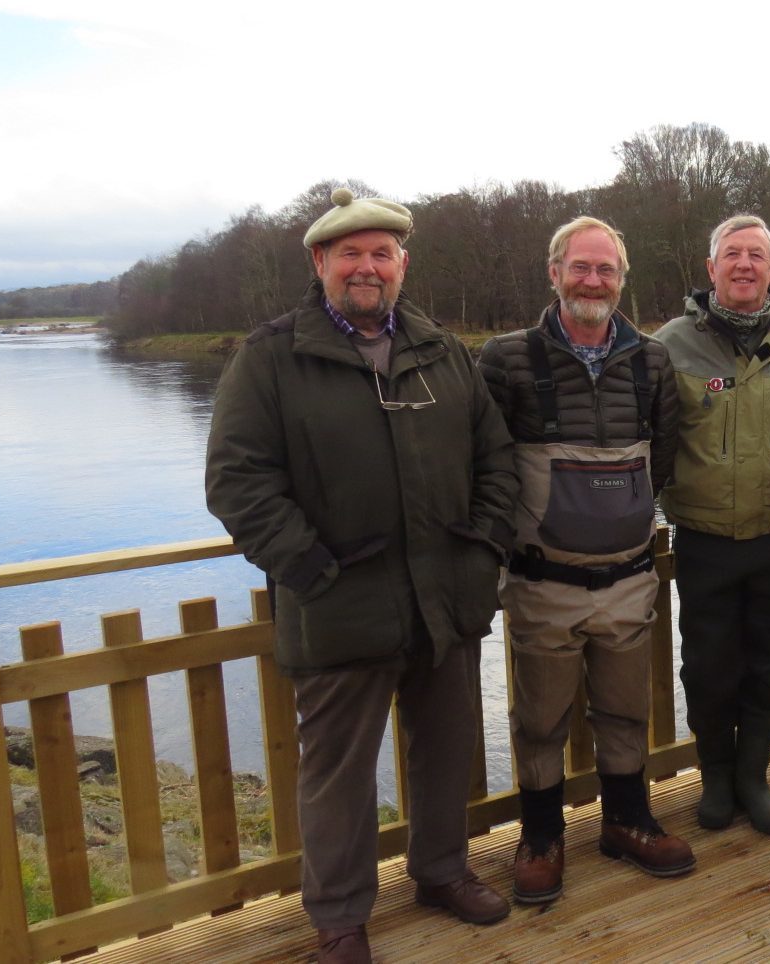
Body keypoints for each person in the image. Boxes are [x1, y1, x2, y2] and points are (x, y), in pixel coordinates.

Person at [205, 189, 515, 964]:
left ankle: (442, 872)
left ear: (403, 264)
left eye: (381, 254)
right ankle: (340, 919)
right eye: (351, 254)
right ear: (320, 263)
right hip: (339, 602)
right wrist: (309, 566)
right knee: (338, 774)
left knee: (446, 749)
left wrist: (484, 551)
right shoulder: (271, 357)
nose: (367, 267)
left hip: (443, 597)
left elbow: (495, 460)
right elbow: (237, 480)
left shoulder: (442, 350)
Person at [478, 216, 688, 906]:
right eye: (581, 267)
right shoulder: (505, 360)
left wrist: (617, 522)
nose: (593, 281)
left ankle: (626, 821)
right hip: (543, 582)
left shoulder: (653, 360)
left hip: (629, 578)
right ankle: (540, 837)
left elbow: (664, 455)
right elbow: (484, 465)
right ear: (554, 272)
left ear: (622, 280)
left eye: (606, 270)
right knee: (539, 719)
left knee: (627, 711)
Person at [655, 215, 770, 835]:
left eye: (756, 255)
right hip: (703, 538)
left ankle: (754, 775)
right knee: (707, 665)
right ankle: (716, 776)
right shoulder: (669, 345)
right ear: (711, 269)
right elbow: (651, 439)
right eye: (732, 254)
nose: (744, 264)